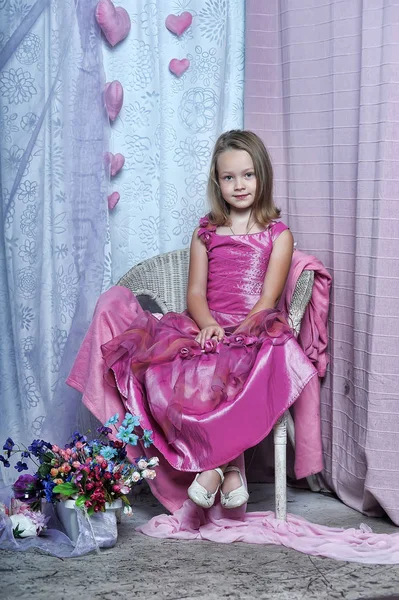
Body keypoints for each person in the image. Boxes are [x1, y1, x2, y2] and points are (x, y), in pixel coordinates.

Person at [68, 130, 318, 515]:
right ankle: (224, 468)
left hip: (253, 326)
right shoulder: (205, 233)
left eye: (247, 175)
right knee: (170, 371)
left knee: (246, 365)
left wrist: (237, 334)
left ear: (262, 176)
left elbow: (268, 299)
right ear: (217, 182)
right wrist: (207, 325)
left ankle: (218, 465)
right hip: (207, 325)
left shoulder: (277, 235)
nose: (239, 185)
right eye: (229, 177)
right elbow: (196, 295)